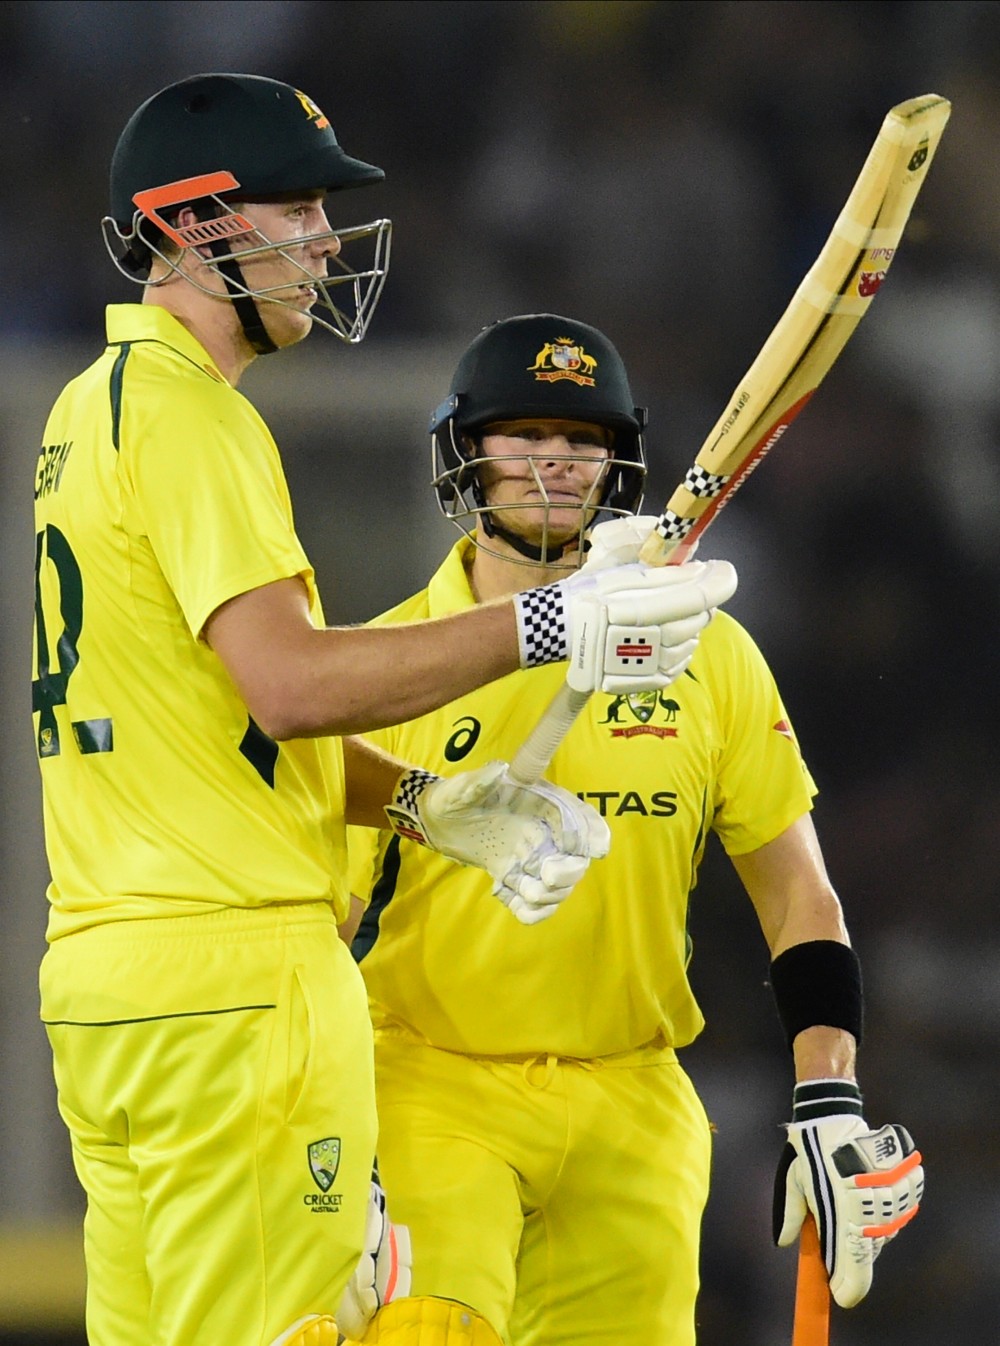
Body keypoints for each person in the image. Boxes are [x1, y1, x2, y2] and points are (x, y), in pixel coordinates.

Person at [30, 79, 739, 1346]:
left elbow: (218, 726)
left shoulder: (86, 411)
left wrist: (420, 801)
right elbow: (289, 684)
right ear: (192, 227)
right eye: (296, 208)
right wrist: (551, 622)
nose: (323, 239)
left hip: (107, 984)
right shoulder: (197, 415)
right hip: (238, 985)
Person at [344, 313, 926, 1346]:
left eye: (582, 440)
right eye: (524, 434)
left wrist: (828, 1090)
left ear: (617, 462)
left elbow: (799, 892)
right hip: (432, 1081)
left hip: (635, 1094)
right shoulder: (393, 661)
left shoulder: (712, 654)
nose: (555, 463)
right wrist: (317, 1135)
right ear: (466, 452)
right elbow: (324, 921)